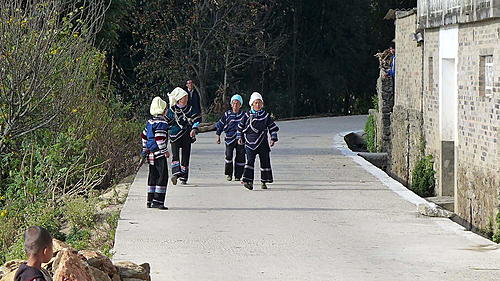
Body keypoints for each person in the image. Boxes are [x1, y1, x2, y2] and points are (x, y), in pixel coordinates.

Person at [237, 92, 279, 190]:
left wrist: (273, 138)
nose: (258, 105)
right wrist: (239, 137)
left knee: (264, 161)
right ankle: (248, 181)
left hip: (262, 142)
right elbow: (240, 127)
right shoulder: (246, 115)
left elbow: (272, 128)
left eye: (259, 103)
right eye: (256, 103)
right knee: (250, 161)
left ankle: (264, 181)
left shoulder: (266, 115)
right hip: (249, 142)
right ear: (252, 104)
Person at [166, 87, 201, 185]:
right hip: (174, 136)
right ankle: (175, 175)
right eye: (184, 97)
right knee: (175, 155)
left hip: (186, 135)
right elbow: (167, 122)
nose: (186, 99)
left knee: (185, 156)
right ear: (179, 99)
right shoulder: (172, 110)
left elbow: (197, 119)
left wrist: (194, 129)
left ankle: (184, 177)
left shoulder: (190, 109)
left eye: (186, 97)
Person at [141, 96, 170, 210]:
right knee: (162, 176)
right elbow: (159, 138)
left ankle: (150, 200)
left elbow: (144, 136)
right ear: (163, 110)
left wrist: (145, 149)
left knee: (152, 176)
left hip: (150, 153)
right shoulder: (162, 123)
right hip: (158, 154)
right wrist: (165, 151)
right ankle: (158, 201)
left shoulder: (150, 122)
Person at [215, 94, 246, 181]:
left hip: (240, 139)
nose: (235, 105)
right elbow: (220, 125)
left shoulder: (244, 115)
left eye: (237, 103)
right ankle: (229, 174)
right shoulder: (227, 114)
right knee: (228, 156)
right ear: (231, 104)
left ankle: (238, 175)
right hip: (229, 139)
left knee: (240, 157)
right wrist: (218, 135)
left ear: (240, 105)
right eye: (234, 103)